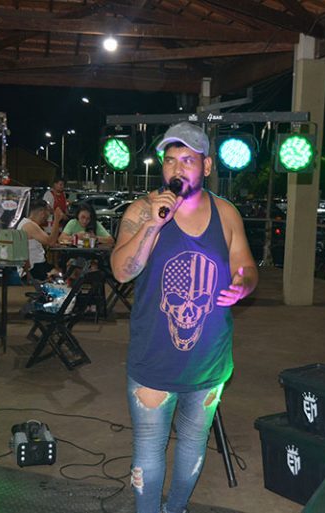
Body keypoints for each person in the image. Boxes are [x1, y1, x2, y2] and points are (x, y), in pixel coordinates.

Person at [111, 122, 258, 513]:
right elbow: (122, 272)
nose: (177, 169)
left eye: (187, 160)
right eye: (170, 160)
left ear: (206, 166)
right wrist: (152, 225)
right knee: (149, 449)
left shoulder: (226, 214)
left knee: (193, 445)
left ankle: (175, 509)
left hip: (209, 362)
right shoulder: (143, 210)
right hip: (154, 359)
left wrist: (242, 284)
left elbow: (247, 267)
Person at [18, 200, 64, 280]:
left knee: (60, 270)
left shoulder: (27, 223)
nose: (48, 216)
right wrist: (57, 220)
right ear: (42, 213)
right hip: (34, 268)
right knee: (60, 274)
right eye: (48, 213)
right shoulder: (29, 225)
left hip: (38, 265)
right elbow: (51, 242)